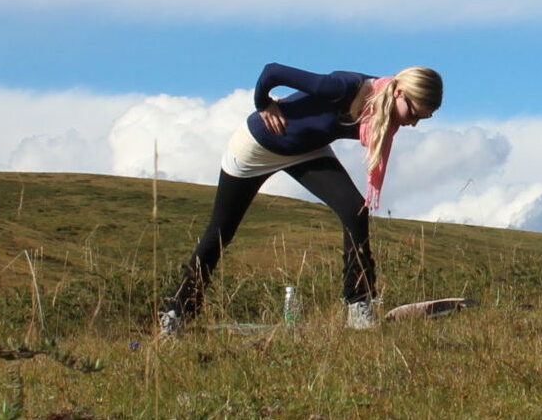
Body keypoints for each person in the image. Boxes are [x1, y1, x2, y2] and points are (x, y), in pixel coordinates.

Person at [158, 63, 442, 334]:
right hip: (256, 149)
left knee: (354, 209)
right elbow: (272, 71)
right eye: (414, 114)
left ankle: (359, 306)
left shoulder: (381, 110)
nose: (413, 124)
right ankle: (176, 314)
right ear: (399, 93)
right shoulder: (344, 87)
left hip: (307, 150)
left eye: (422, 118)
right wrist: (263, 104)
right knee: (221, 232)